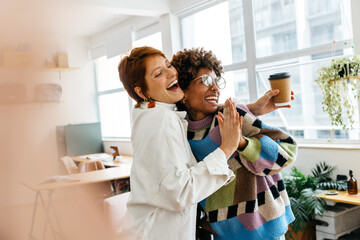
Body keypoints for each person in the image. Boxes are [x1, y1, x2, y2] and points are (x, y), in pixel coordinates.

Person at [116, 46, 243, 240]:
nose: (171, 73)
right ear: (142, 92)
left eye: (168, 65)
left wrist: (253, 108)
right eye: (158, 73)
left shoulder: (153, 113)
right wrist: (226, 149)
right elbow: (180, 191)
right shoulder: (160, 119)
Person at [171, 47, 298, 240]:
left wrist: (243, 143)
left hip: (265, 229)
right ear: (183, 89)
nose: (215, 88)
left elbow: (287, 152)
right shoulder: (179, 133)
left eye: (216, 81)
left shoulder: (233, 115)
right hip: (223, 233)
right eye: (205, 81)